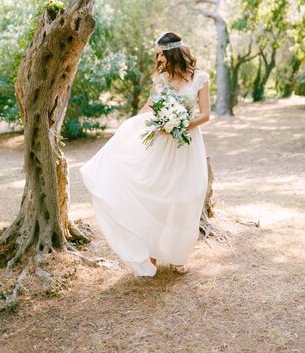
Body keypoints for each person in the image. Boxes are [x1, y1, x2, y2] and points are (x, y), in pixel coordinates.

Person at [79, 31, 211, 277]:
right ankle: (150, 251)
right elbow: (149, 106)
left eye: (161, 54)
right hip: (161, 145)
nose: (159, 59)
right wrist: (131, 126)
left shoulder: (200, 78)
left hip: (186, 144)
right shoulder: (161, 78)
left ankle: (178, 256)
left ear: (173, 53)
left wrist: (180, 125)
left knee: (185, 197)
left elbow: (205, 115)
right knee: (156, 195)